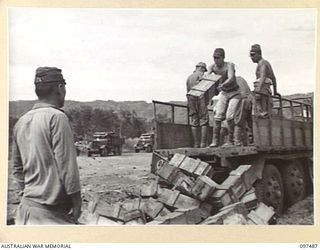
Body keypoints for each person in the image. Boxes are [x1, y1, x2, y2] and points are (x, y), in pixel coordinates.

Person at [12, 67, 82, 225]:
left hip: (26, 212)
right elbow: (67, 166)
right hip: (50, 214)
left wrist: (28, 193)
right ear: (60, 88)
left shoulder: (21, 122)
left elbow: (17, 169)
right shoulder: (57, 117)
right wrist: (77, 203)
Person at [207, 48, 241, 147]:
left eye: (218, 58)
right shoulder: (212, 67)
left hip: (234, 93)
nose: (216, 60)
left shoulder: (229, 65)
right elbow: (207, 77)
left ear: (223, 57)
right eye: (214, 57)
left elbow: (231, 78)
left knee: (229, 116)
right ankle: (215, 141)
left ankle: (231, 141)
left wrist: (222, 85)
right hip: (224, 93)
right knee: (218, 116)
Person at [250, 44, 278, 117]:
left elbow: (263, 76)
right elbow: (273, 78)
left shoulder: (262, 63)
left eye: (253, 55)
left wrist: (258, 90)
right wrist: (275, 91)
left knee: (262, 112)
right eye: (250, 55)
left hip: (263, 90)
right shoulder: (262, 63)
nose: (251, 57)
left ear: (259, 54)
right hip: (263, 90)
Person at [186, 62, 209, 147]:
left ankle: (196, 144)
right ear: (202, 68)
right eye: (204, 70)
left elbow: (187, 91)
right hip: (201, 98)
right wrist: (207, 100)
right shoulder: (203, 76)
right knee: (204, 121)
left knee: (194, 121)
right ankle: (203, 144)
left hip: (191, 99)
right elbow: (206, 90)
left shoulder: (189, 77)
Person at [233, 76, 254, 146]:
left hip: (243, 100)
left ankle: (237, 142)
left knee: (238, 121)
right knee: (249, 122)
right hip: (250, 100)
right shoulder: (240, 78)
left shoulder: (233, 80)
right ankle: (251, 141)